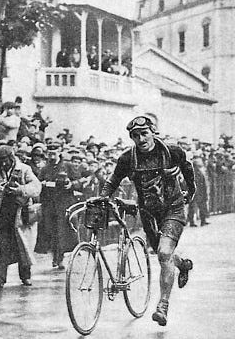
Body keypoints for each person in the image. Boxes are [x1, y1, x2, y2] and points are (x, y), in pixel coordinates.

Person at [100, 116, 196, 326]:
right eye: (135, 135)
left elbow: (188, 170)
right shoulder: (128, 158)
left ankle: (162, 305)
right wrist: (103, 196)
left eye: (144, 133)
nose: (141, 139)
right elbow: (113, 180)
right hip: (149, 213)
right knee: (164, 255)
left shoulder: (172, 152)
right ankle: (183, 265)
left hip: (173, 208)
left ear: (153, 132)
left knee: (163, 254)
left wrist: (191, 190)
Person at [0, 146, 41, 288]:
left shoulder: (24, 169)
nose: (3, 164)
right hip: (2, 213)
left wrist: (20, 190)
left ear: (11, 158)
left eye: (5, 160)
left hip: (20, 214)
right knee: (3, 245)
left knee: (22, 245)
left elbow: (36, 186)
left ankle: (25, 275)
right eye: (0, 161)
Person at [188, 155, 210, 227]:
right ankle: (194, 221)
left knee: (199, 206)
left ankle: (201, 221)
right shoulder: (194, 171)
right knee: (194, 207)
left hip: (199, 191)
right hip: (195, 191)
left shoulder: (199, 172)